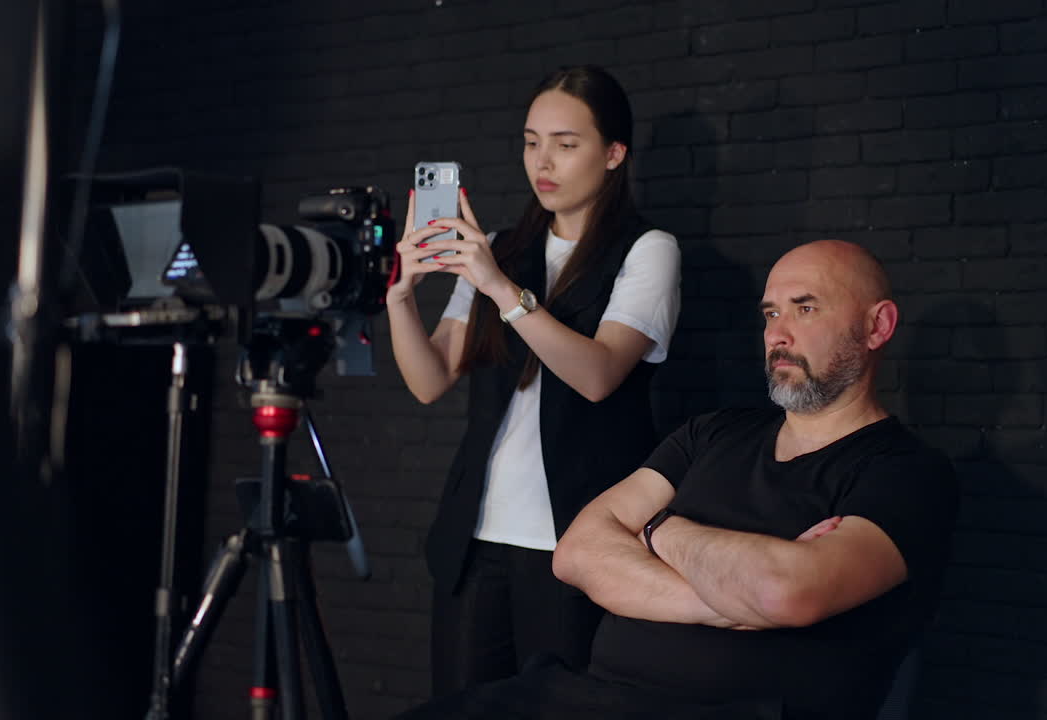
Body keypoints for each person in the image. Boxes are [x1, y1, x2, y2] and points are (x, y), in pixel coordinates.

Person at [395, 239, 960, 720]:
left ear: (877, 326)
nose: (777, 334)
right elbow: (577, 552)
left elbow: (782, 591)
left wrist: (657, 531)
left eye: (805, 309)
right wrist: (725, 599)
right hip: (586, 698)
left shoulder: (907, 473)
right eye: (769, 314)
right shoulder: (715, 434)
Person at [385, 65, 682, 695]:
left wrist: (499, 287)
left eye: (566, 144)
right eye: (530, 141)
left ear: (613, 154)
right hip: (476, 538)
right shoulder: (499, 246)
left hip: (578, 541)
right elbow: (429, 379)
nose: (542, 161)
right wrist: (401, 296)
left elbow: (599, 374)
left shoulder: (647, 250)